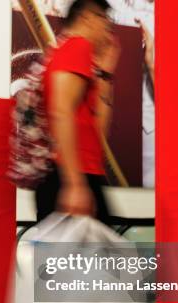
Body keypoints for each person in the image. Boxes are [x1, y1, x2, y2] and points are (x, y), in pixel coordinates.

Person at [35, 0, 120, 223]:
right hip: (73, 176)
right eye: (104, 20)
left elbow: (98, 129)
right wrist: (75, 185)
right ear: (87, 17)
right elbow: (61, 112)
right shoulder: (77, 47)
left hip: (82, 173)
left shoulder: (73, 53)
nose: (107, 29)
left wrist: (106, 74)